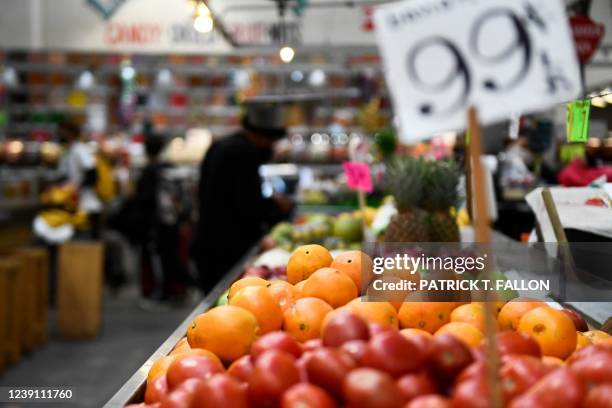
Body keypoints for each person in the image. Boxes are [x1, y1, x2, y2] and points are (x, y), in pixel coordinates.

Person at [195, 102, 292, 293]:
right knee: (225, 295)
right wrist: (275, 206)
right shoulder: (244, 153)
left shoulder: (221, 145)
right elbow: (247, 204)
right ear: (262, 136)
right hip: (227, 247)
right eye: (271, 141)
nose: (271, 147)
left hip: (208, 240)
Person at [135, 133, 190, 302]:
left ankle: (162, 292)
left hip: (154, 222)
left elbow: (144, 199)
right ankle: (176, 289)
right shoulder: (170, 168)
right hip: (171, 220)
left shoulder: (148, 172)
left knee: (158, 258)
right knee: (172, 255)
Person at [57, 120, 102, 238]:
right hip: (76, 205)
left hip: (87, 207)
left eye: (62, 131)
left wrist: (78, 189)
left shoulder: (80, 149)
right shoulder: (69, 151)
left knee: (88, 246)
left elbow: (92, 174)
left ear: (70, 132)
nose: (60, 134)